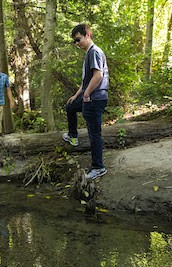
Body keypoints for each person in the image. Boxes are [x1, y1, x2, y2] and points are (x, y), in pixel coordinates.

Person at [65, 24, 109, 180]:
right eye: (74, 41)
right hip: (89, 96)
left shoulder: (94, 52)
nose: (77, 43)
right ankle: (73, 136)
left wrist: (86, 95)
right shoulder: (89, 53)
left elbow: (98, 76)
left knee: (94, 133)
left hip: (94, 98)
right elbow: (86, 81)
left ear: (88, 35)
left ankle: (98, 167)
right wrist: (77, 95)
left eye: (78, 39)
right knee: (70, 106)